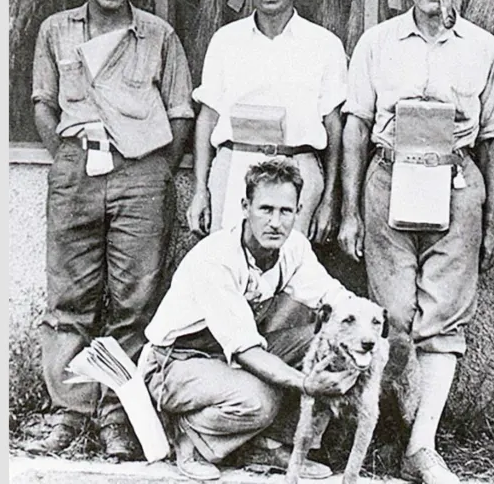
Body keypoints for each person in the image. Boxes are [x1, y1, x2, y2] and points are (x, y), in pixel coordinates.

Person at [337, 0, 494, 484]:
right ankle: (382, 431)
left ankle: (421, 445)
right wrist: (348, 211)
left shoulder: (484, 48)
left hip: (457, 181)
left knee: (445, 314)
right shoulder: (377, 42)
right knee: (392, 315)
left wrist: (491, 218)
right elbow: (356, 127)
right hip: (390, 178)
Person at [24, 0, 194, 460]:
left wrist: (155, 172)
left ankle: (117, 416)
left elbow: (181, 110)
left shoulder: (159, 35)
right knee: (69, 299)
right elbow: (42, 105)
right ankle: (71, 412)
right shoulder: (56, 30)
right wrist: (67, 158)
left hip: (141, 175)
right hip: (77, 171)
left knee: (135, 302)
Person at [141, 158, 361, 481]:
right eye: (265, 209)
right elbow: (246, 351)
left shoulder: (293, 247)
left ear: (299, 210)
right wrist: (304, 382)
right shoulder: (217, 258)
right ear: (245, 207)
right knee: (261, 400)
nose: (275, 222)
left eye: (286, 211)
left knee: (334, 345)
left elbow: (334, 298)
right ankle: (185, 433)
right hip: (175, 361)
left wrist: (368, 327)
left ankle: (270, 444)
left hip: (226, 357)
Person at [186, 0, 347, 246]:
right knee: (229, 272)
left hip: (297, 168)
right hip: (235, 166)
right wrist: (199, 191)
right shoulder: (226, 41)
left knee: (289, 276)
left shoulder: (324, 45)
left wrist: (330, 199)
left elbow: (334, 126)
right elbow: (208, 117)